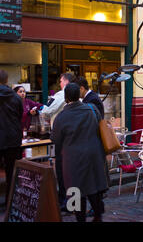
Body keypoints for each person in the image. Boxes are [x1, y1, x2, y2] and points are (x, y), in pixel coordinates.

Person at [50, 83, 108, 222]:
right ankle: (98, 215)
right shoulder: (92, 109)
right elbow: (99, 124)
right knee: (93, 185)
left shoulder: (62, 117)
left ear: (66, 98)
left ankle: (79, 218)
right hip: (94, 154)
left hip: (73, 158)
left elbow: (55, 139)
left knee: (74, 189)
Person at [40, 72, 74, 208]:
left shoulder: (60, 95)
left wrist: (43, 112)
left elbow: (46, 111)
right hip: (76, 139)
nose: (60, 83)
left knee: (62, 170)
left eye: (60, 81)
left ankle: (65, 201)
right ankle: (75, 206)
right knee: (73, 172)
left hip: (63, 138)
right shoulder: (82, 103)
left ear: (65, 82)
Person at [0, 70, 23, 207]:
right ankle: (10, 201)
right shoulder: (16, 97)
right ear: (7, 80)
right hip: (13, 139)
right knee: (11, 172)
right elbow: (20, 115)